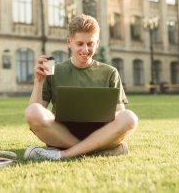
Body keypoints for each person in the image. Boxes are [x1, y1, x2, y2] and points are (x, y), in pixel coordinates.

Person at [23, 14, 138, 161]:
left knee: (130, 118)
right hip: (61, 134)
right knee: (32, 111)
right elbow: (35, 115)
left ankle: (64, 154)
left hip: (99, 132)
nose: (85, 49)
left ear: (97, 43)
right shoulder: (53, 71)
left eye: (90, 44)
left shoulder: (110, 72)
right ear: (69, 42)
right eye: (80, 44)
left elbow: (120, 115)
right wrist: (38, 82)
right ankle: (94, 150)